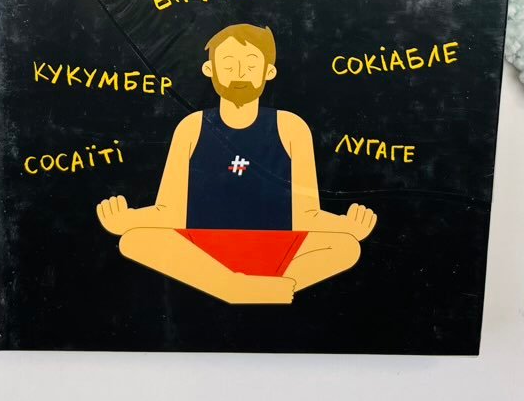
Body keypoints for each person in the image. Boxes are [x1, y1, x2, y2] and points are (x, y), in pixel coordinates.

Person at [96, 24, 376, 304]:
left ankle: (237, 288)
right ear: (210, 70)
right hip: (202, 253)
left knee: (346, 246)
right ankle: (244, 287)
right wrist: (128, 220)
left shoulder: (291, 127)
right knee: (134, 239)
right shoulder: (192, 127)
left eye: (251, 64)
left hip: (276, 248)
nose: (240, 73)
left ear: (269, 71)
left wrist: (346, 226)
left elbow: (306, 215)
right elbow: (170, 212)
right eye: (228, 64)